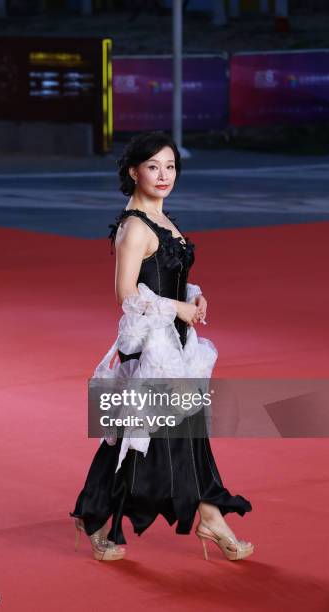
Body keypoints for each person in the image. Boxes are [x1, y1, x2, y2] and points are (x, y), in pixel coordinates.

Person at [70, 131, 254, 562]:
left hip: (176, 339)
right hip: (150, 343)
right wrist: (177, 307)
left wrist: (192, 296)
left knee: (179, 433)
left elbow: (164, 274)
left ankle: (204, 514)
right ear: (134, 171)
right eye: (153, 166)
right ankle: (100, 515)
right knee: (144, 436)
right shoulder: (135, 225)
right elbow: (126, 294)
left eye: (170, 166)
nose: (164, 174)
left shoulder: (163, 217)